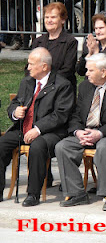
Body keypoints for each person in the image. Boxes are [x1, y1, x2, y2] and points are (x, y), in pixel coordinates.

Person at [55, 53, 106, 210]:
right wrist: (78, 132)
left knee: (103, 147)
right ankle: (76, 193)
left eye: (90, 70)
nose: (86, 74)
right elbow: (76, 115)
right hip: (86, 132)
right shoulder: (85, 86)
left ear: (103, 71)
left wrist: (99, 134)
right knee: (63, 146)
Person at [0, 47, 74, 206]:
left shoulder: (62, 85)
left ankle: (33, 194)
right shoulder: (27, 81)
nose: (28, 68)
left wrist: (38, 129)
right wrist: (15, 112)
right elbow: (15, 103)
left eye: (31, 64)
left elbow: (60, 114)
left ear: (44, 66)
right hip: (24, 128)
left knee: (37, 146)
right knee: (2, 144)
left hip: (50, 132)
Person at [31, 2, 78, 90]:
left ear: (63, 20)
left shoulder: (70, 42)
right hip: (38, 87)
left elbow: (67, 69)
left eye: (53, 17)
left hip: (61, 89)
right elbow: (29, 67)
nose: (49, 20)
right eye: (47, 17)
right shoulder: (38, 42)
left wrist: (46, 81)